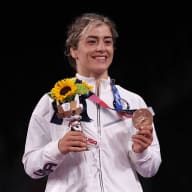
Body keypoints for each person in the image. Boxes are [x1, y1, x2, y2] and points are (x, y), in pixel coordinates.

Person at [22, 12, 162, 192]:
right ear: (73, 50)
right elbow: (31, 167)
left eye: (107, 41)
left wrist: (141, 151)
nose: (101, 48)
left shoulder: (133, 102)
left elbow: (150, 170)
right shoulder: (52, 101)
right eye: (92, 41)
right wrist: (58, 148)